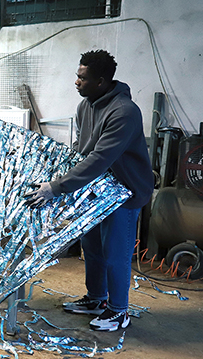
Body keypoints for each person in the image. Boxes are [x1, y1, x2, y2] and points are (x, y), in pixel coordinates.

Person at [25, 50, 153, 332]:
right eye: (77, 76)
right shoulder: (86, 106)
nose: (76, 82)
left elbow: (99, 159)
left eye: (83, 78)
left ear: (102, 81)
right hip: (96, 189)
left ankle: (119, 311)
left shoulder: (124, 112)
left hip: (125, 192)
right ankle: (97, 298)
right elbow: (82, 152)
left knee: (114, 254)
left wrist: (55, 188)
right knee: (92, 248)